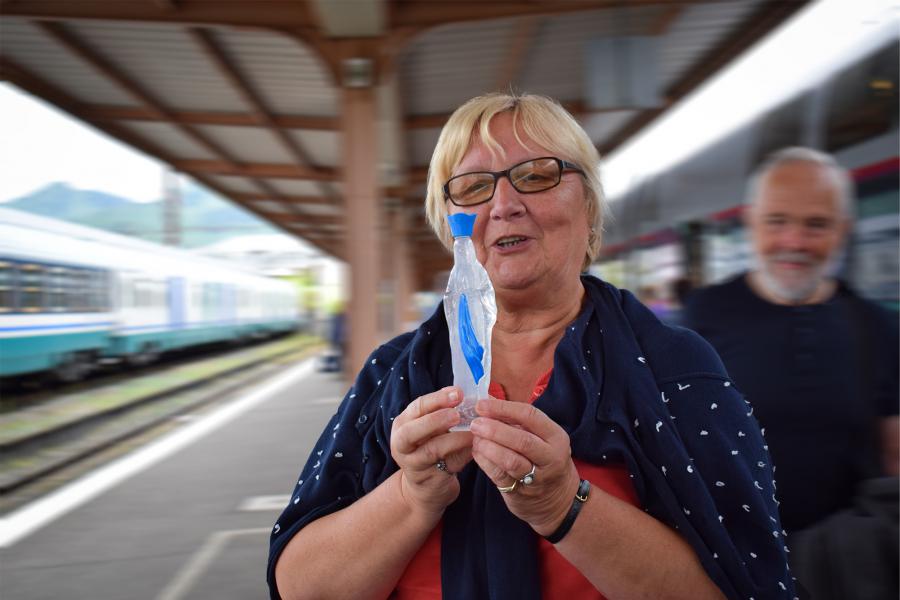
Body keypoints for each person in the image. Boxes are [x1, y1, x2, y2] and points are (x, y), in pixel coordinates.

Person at [268, 93, 794, 600]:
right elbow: (299, 585)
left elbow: (747, 584)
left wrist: (563, 505)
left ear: (587, 204)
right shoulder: (391, 374)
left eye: (537, 175)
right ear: (449, 223)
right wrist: (412, 495)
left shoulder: (675, 369)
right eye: (473, 187)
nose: (504, 205)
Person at [683, 147, 899, 596]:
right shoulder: (704, 318)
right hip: (730, 573)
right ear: (752, 222)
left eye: (816, 224)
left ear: (843, 231)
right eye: (778, 221)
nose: (795, 241)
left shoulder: (875, 328)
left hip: (843, 577)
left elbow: (894, 459)